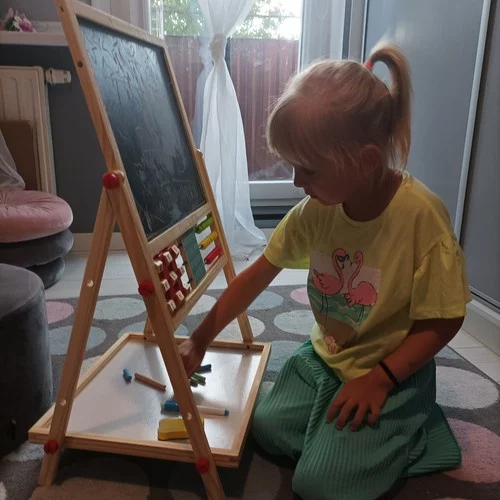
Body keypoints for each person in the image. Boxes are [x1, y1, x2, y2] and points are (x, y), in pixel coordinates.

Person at [179, 39, 471, 500]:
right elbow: (257, 276)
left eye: (309, 170)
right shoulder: (315, 210)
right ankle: (343, 435)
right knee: (265, 428)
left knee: (318, 484)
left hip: (391, 371)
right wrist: (200, 337)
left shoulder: (422, 219)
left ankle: (413, 429)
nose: (297, 182)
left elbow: (445, 319)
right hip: (328, 359)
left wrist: (380, 379)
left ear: (366, 161)